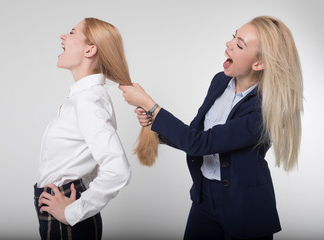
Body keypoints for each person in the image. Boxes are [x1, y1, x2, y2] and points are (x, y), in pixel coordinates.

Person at [120, 16, 303, 240]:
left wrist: (152, 106)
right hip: (204, 199)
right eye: (233, 37)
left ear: (258, 64)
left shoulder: (265, 109)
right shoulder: (220, 81)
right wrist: (158, 130)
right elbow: (198, 137)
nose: (229, 44)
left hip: (245, 207)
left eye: (240, 44)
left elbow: (200, 144)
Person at [34, 18, 132, 240]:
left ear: (90, 49)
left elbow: (118, 170)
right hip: (64, 205)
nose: (63, 37)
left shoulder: (88, 101)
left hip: (65, 218)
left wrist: (72, 211)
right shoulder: (83, 99)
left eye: (71, 32)